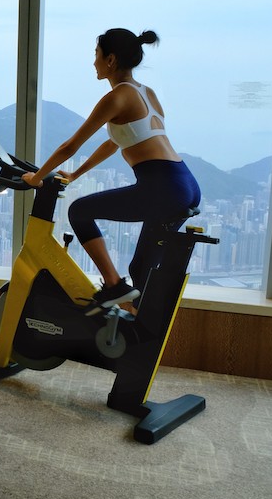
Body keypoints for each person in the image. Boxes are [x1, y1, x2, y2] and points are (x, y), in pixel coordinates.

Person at [21, 28, 200, 315]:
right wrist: (76, 175)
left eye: (96, 55)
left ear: (111, 60)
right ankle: (138, 328)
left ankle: (113, 285)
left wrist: (37, 177)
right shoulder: (146, 93)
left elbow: (70, 145)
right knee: (141, 269)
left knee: (79, 212)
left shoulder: (117, 97)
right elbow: (114, 142)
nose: (94, 62)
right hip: (183, 182)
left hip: (163, 186)